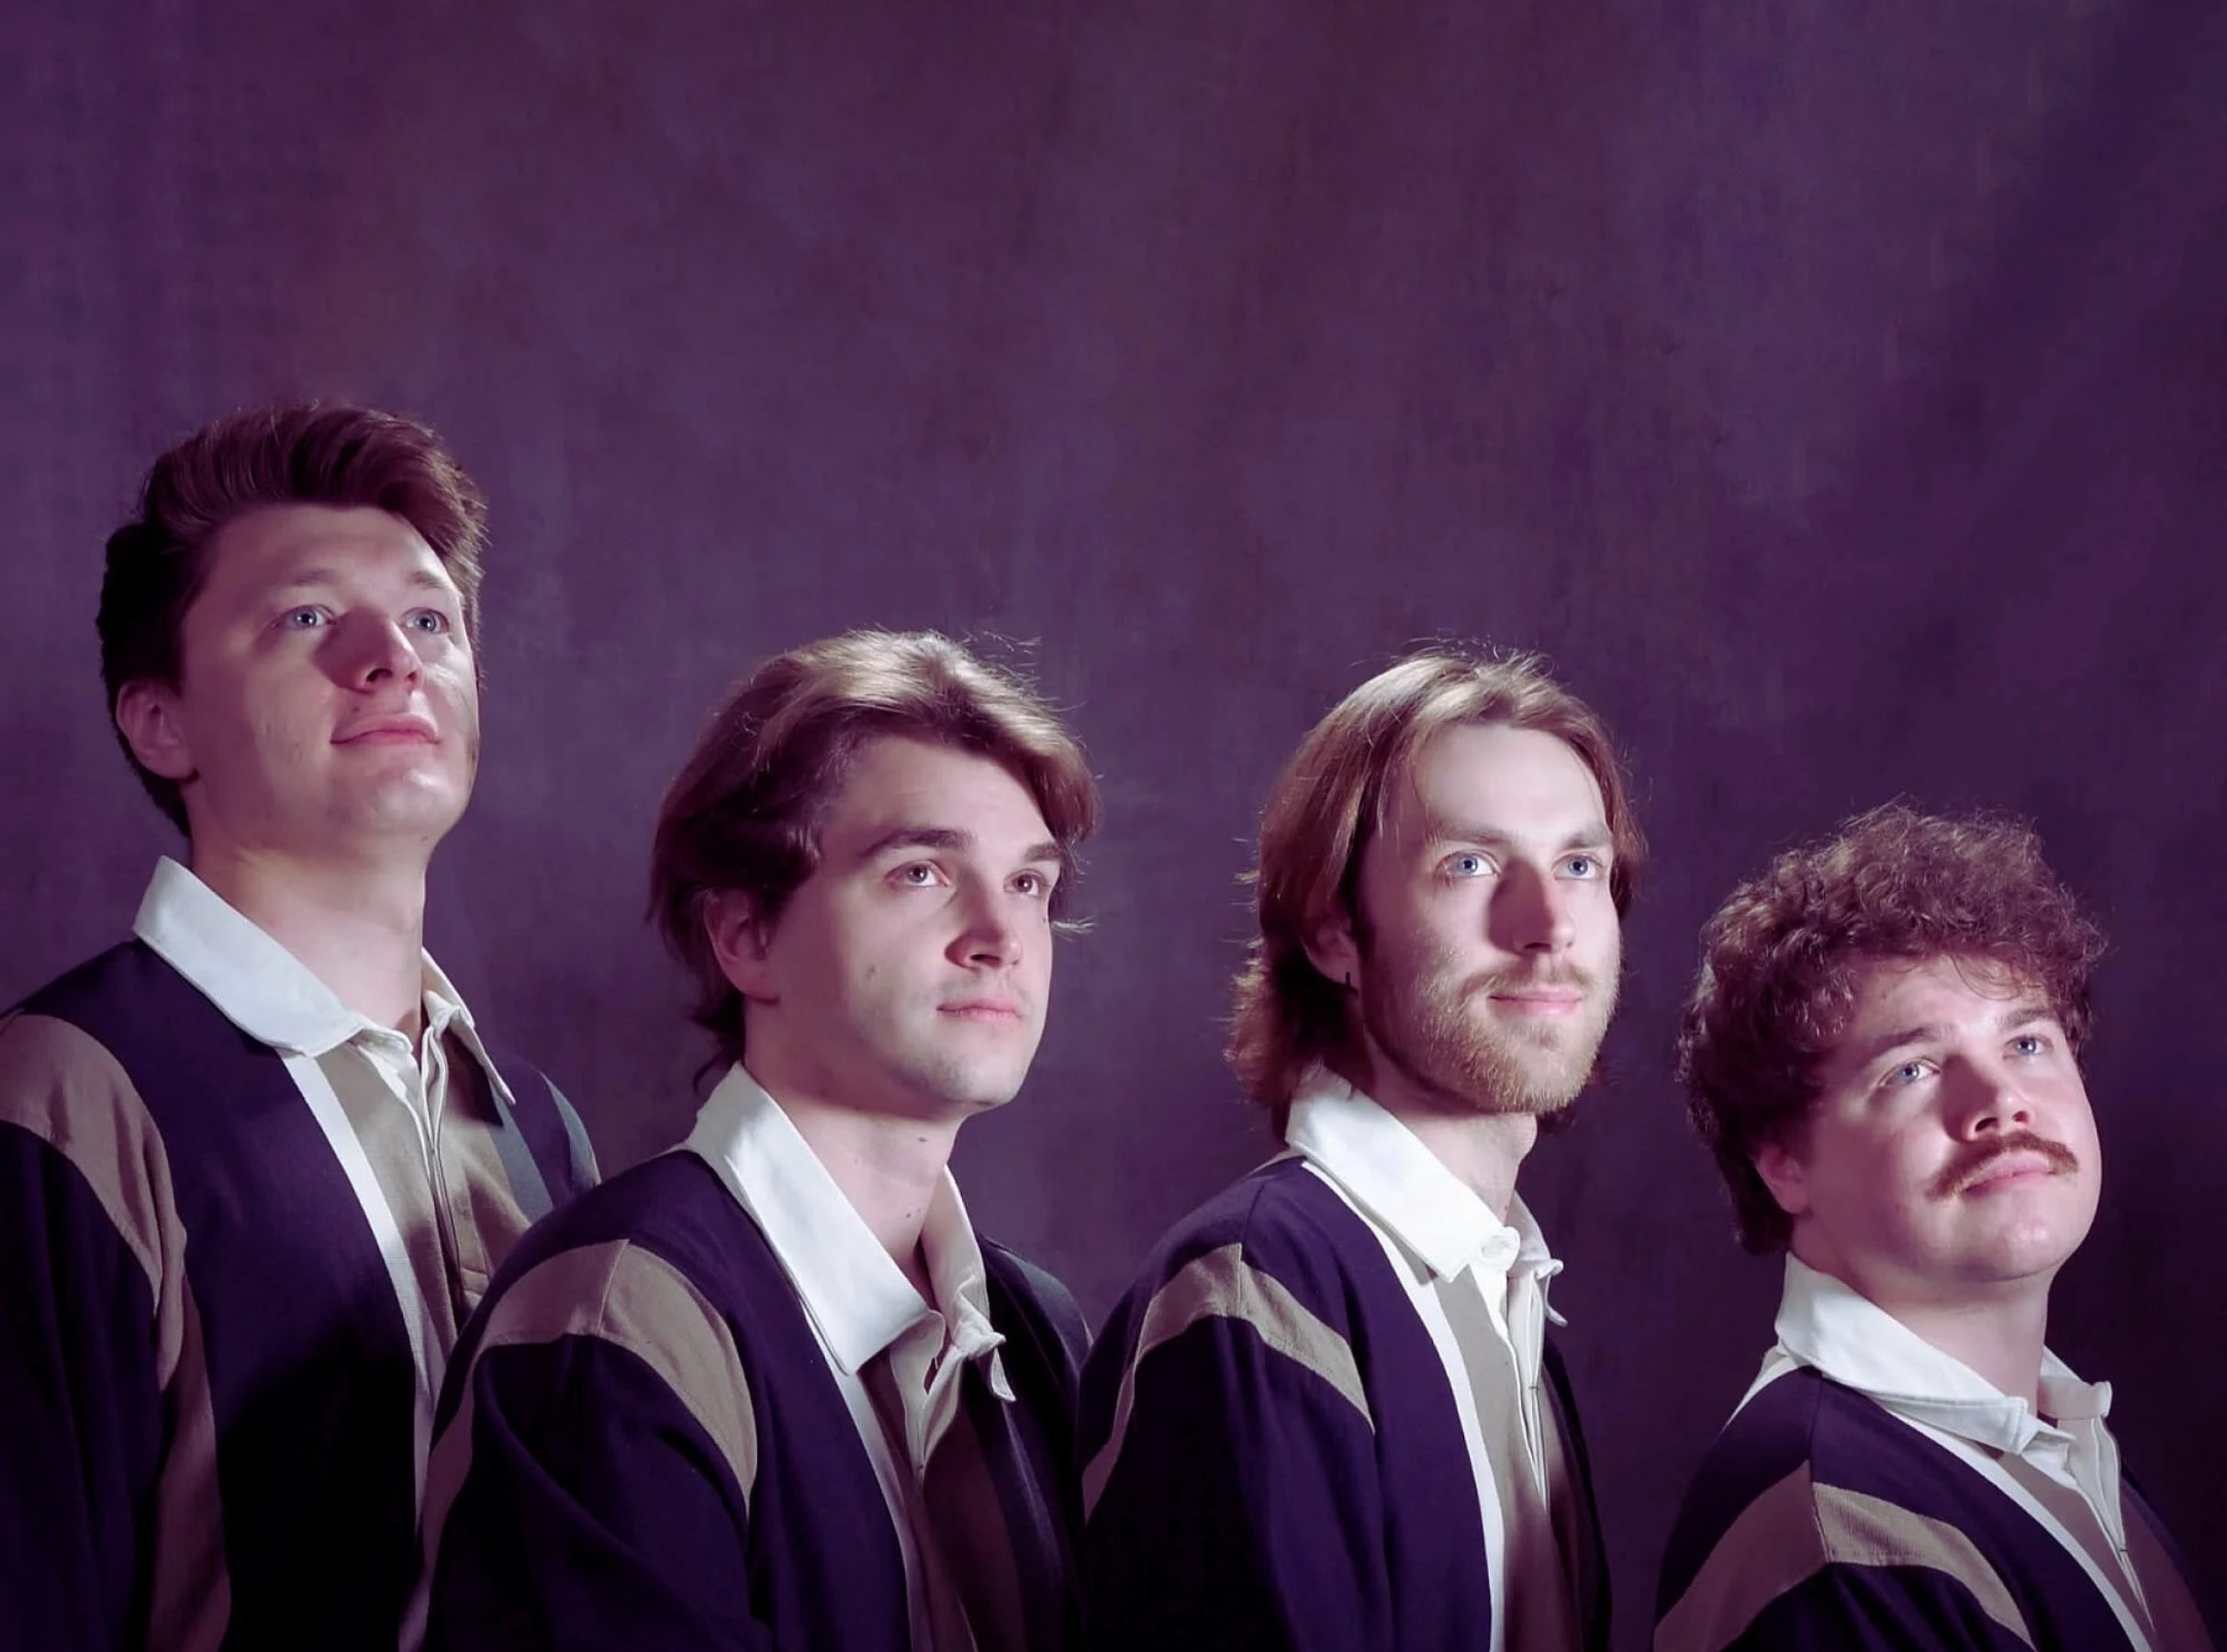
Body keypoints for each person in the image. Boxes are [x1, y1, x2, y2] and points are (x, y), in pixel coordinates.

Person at [0, 405, 598, 1652]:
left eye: (430, 620)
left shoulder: (536, 1125)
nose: (393, 661)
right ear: (159, 721)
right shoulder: (59, 1101)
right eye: (308, 618)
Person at [419, 630, 1100, 1651]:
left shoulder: (1035, 1328)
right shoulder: (613, 1323)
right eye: (921, 872)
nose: (1000, 939)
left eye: (1028, 885)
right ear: (745, 936)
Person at [1080, 647, 1633, 1651]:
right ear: (1333, 930)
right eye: (1470, 865)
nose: (1548, 926)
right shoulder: (1260, 1293)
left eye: (1578, 866)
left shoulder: (1501, 1292)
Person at [1657, 804, 2215, 1651]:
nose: (2001, 1102)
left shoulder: (2057, 1442)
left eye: (2027, 1043)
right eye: (1912, 1070)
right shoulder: (1837, 1538)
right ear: (1784, 1164)